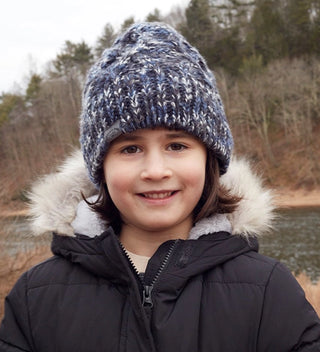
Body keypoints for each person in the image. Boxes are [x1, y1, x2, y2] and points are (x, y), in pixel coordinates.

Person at [0, 22, 319, 352]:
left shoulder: (269, 291)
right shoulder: (35, 298)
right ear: (100, 167)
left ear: (210, 161)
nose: (155, 171)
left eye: (177, 146)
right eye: (130, 149)